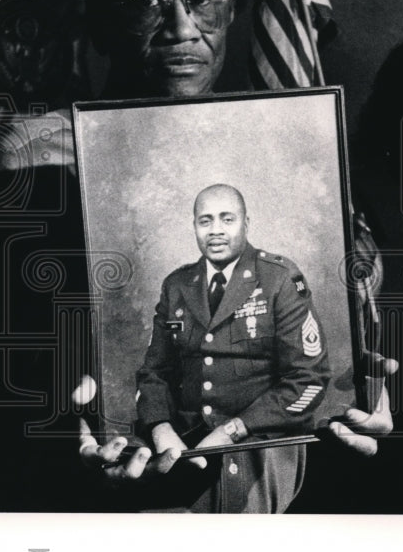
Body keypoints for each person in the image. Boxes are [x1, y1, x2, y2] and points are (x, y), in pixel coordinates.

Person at [0, 0, 394, 512]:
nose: (180, 27)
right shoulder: (43, 153)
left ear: (231, 11)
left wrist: (358, 381)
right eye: (147, 0)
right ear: (102, 22)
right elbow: (11, 360)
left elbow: (349, 284)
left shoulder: (278, 142)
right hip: (127, 508)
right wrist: (76, 406)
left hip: (262, 501)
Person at [134, 183, 331, 512]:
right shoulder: (177, 285)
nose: (216, 231)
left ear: (246, 223)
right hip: (189, 439)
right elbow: (154, 372)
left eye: (227, 220)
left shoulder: (279, 279)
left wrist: (233, 429)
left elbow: (309, 379)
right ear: (194, 226)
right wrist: (160, 428)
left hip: (262, 438)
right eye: (205, 221)